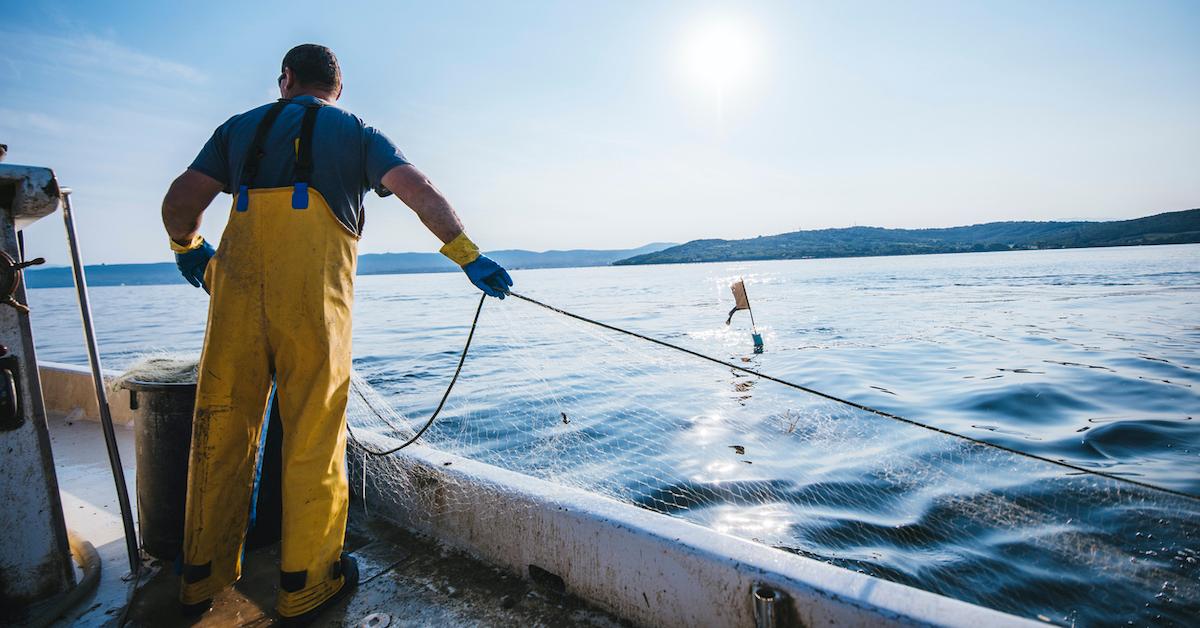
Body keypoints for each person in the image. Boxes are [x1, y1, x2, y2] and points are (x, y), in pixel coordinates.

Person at [160, 43, 512, 623]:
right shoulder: (356, 131)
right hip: (314, 307)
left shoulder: (238, 130)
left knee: (220, 425)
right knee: (314, 434)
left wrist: (189, 249)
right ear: (337, 88)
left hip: (236, 298)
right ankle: (306, 583)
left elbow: (181, 201)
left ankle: (201, 579)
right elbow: (419, 191)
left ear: (286, 80)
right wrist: (468, 255)